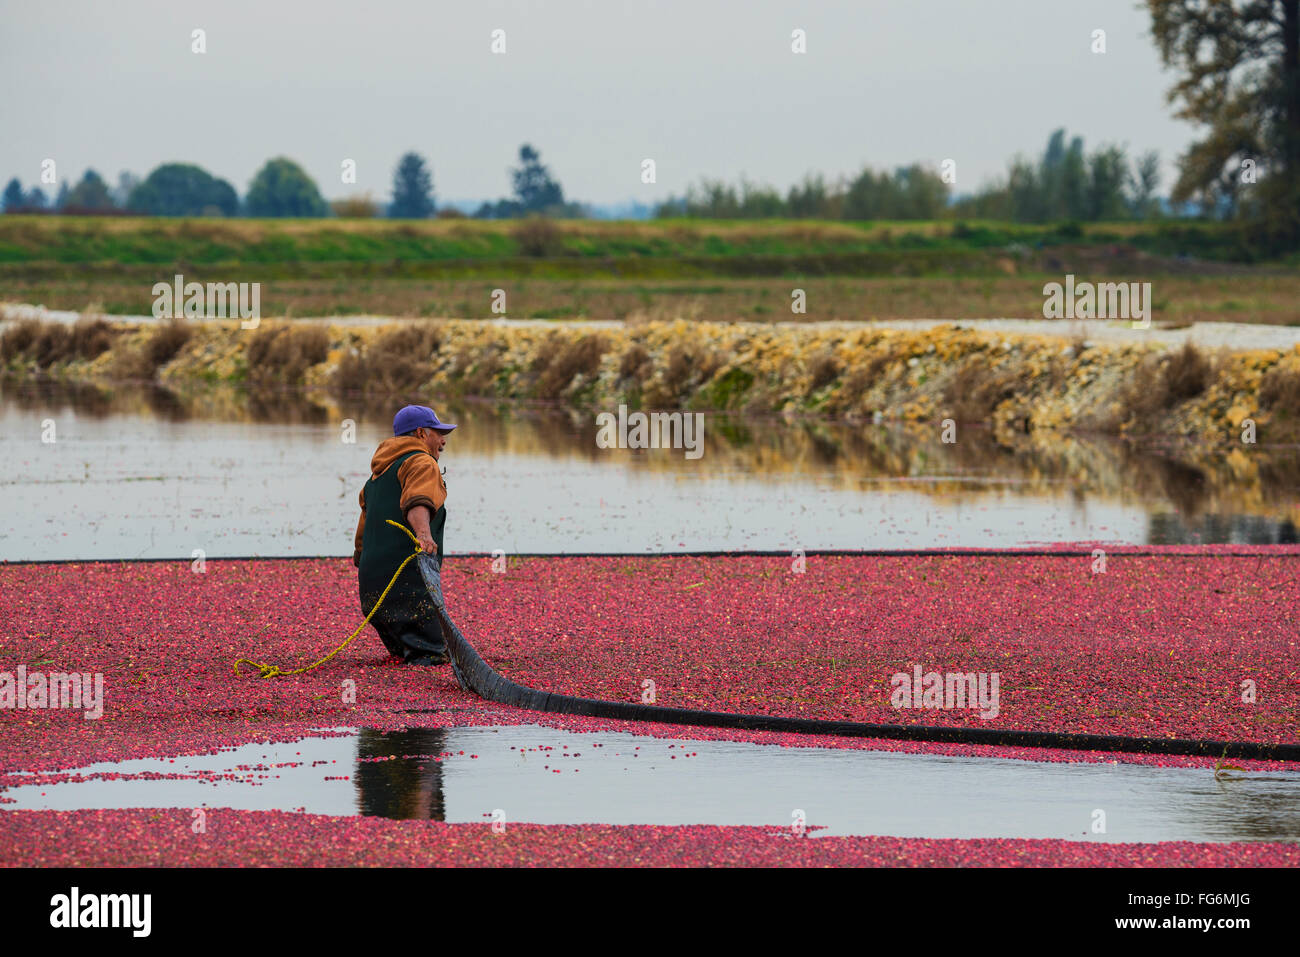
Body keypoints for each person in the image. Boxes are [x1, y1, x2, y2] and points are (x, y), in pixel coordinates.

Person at [353, 405, 456, 665]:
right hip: (408, 587)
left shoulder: (377, 476)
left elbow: (363, 528)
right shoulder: (421, 462)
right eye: (438, 433)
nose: (443, 440)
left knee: (405, 655)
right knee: (431, 656)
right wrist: (423, 535)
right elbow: (416, 503)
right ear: (421, 433)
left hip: (372, 592)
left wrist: (361, 558)